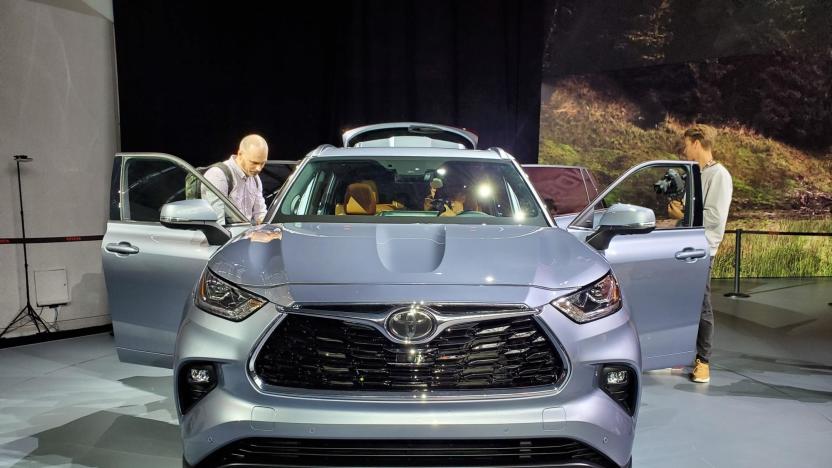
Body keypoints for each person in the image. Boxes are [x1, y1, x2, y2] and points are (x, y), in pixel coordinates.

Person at [678, 124, 733, 383]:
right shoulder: (697, 174)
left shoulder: (719, 175)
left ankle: (704, 361)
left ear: (697, 143)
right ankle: (681, 355)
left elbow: (713, 218)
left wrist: (681, 214)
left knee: (701, 305)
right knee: (685, 303)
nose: (685, 149)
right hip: (686, 247)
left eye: (687, 144)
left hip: (702, 249)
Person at [202, 134, 269, 224]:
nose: (259, 168)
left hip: (246, 234)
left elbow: (260, 213)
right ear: (240, 154)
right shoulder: (218, 175)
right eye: (254, 162)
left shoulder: (255, 179)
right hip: (228, 236)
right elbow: (217, 225)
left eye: (262, 163)